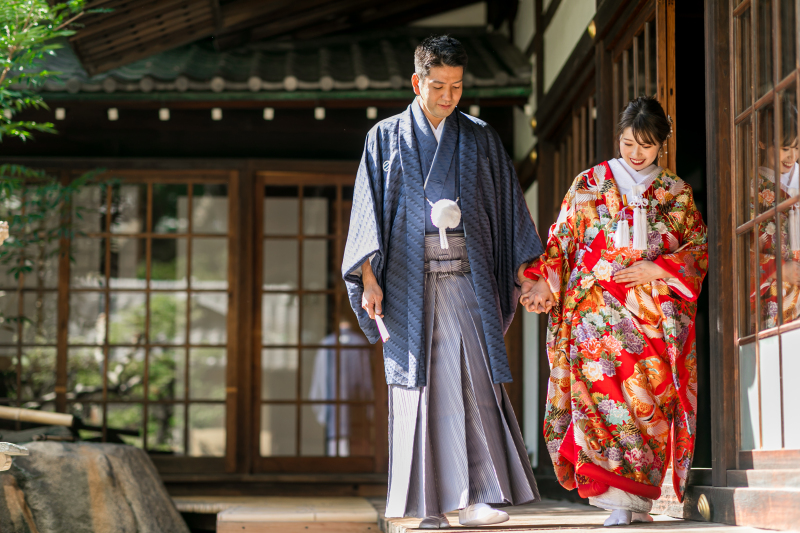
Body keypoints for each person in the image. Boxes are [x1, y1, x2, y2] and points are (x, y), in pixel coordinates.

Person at [342, 35, 542, 529]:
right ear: (417, 82)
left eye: (456, 87)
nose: (449, 97)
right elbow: (367, 213)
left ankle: (476, 496)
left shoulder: (479, 137)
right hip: (407, 281)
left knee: (473, 381)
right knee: (417, 387)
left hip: (467, 279)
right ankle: (426, 506)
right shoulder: (384, 137)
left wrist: (526, 272)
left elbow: (507, 210)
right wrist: (368, 276)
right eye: (438, 86)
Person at [521, 96, 708, 526]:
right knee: (600, 406)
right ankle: (617, 504)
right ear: (618, 139)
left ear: (662, 142)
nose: (636, 153)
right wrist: (540, 283)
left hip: (653, 318)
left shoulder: (676, 192)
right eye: (628, 143)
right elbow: (561, 241)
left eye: (645, 145)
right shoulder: (587, 182)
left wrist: (656, 266)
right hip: (595, 314)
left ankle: (638, 503)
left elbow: (697, 250)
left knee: (648, 405)